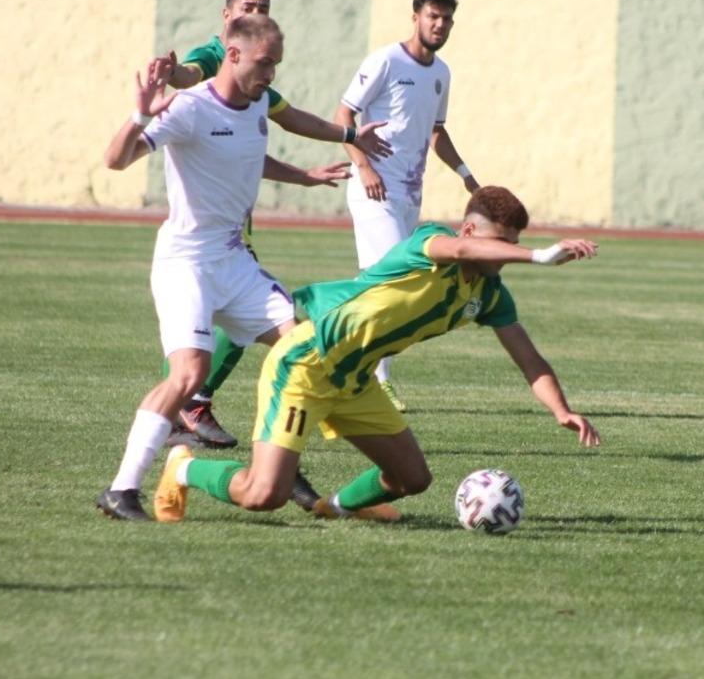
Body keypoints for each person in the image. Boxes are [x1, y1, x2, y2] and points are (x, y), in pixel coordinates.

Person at [151, 186, 601, 525]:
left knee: (412, 479)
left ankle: (337, 507)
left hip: (356, 380)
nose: (502, 256)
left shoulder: (488, 294)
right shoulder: (429, 245)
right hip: (307, 365)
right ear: (469, 230)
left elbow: (529, 358)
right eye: (499, 244)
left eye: (512, 245)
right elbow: (461, 249)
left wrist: (562, 410)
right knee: (263, 495)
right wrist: (539, 256)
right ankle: (185, 468)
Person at [96, 14, 356, 521]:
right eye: (265, 62)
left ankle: (277, 462)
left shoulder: (256, 102)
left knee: (301, 348)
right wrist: (140, 115)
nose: (272, 74)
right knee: (190, 373)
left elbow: (246, 155)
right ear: (233, 55)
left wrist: (302, 177)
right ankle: (121, 489)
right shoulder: (189, 107)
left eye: (277, 63)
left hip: (233, 259)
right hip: (186, 262)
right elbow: (114, 160)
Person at [157, 0, 391, 451]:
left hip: (231, 226)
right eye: (247, 6)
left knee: (248, 322)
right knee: (223, 330)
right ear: (227, 17)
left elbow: (289, 115)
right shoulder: (217, 54)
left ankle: (194, 404)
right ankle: (189, 403)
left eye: (263, 6)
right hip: (203, 230)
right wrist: (172, 76)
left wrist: (343, 141)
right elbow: (187, 78)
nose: (255, 13)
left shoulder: (260, 73)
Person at [333, 0, 481, 413]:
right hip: (373, 188)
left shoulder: (441, 73)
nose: (440, 25)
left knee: (379, 285)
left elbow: (436, 131)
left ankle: (343, 353)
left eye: (447, 19)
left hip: (409, 194)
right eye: (433, 16)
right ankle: (373, 380)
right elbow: (343, 115)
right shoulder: (385, 60)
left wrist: (468, 178)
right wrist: (364, 167)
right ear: (415, 16)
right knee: (393, 283)